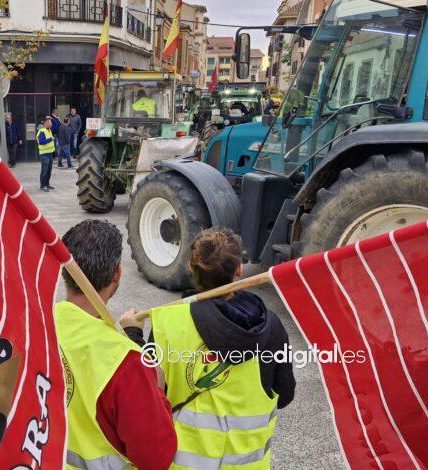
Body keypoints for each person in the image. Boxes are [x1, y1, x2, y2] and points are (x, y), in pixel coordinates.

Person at [125, 227, 295, 469]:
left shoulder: (168, 321)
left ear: (191, 269)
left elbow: (145, 390)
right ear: (239, 269)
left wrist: (133, 333)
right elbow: (285, 395)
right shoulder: (272, 328)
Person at [56, 220, 177, 470]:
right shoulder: (127, 363)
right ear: (117, 274)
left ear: (65, 271)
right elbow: (156, 459)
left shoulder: (37, 324)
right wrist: (156, 389)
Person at [36, 117, 56, 192]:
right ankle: (43, 186)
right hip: (44, 154)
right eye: (50, 123)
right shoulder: (42, 131)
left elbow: (56, 125)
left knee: (49, 170)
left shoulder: (49, 130)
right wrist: (50, 139)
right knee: (44, 170)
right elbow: (41, 142)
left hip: (50, 154)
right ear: (46, 123)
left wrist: (52, 119)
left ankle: (47, 184)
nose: (51, 124)